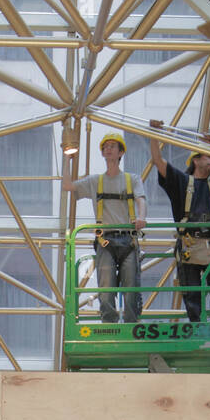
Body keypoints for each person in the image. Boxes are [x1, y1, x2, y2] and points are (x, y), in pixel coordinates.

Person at [148, 118, 210, 321]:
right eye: (208, 157)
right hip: (189, 245)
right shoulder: (181, 182)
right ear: (195, 160)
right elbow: (158, 161)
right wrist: (154, 134)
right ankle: (199, 328)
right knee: (192, 295)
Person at [63, 131, 146, 324]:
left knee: (131, 287)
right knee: (106, 289)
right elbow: (68, 186)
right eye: (105, 147)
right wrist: (67, 159)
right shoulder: (95, 181)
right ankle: (109, 324)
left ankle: (131, 324)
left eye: (112, 146)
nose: (108, 149)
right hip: (105, 239)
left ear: (120, 152)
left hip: (128, 238)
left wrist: (141, 218)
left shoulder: (132, 179)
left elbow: (141, 199)